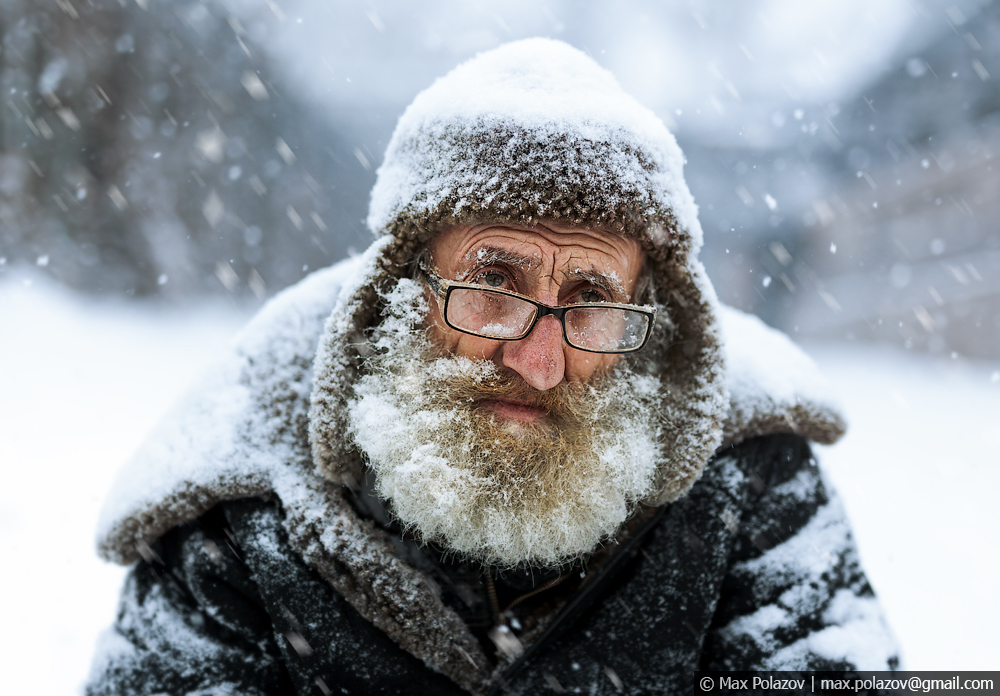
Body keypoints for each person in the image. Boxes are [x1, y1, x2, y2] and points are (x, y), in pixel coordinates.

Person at [87, 38, 898, 695]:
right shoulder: (241, 493)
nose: (539, 360)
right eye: (493, 284)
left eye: (590, 299)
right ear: (400, 285)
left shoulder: (748, 470)